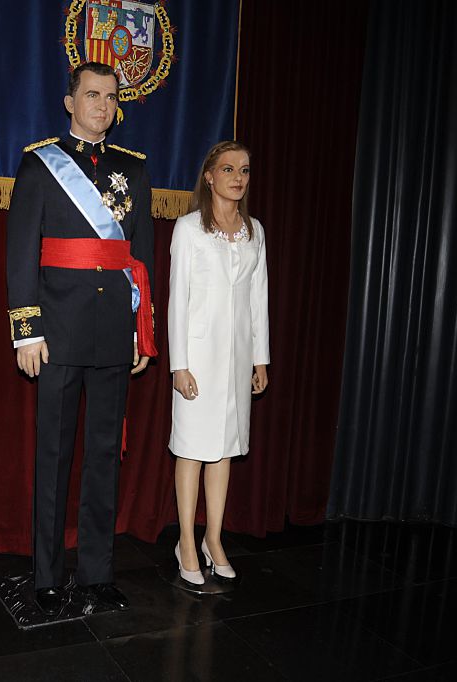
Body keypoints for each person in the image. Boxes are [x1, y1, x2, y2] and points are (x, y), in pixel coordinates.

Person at [6, 61, 156, 615]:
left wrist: (143, 332)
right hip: (58, 332)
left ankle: (96, 574)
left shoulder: (133, 171)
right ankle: (46, 577)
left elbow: (141, 258)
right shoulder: (39, 164)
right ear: (70, 102)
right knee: (53, 454)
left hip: (114, 332)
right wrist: (27, 330)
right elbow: (21, 251)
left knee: (101, 457)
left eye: (111, 97)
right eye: (91, 94)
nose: (101, 104)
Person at [167, 141, 269, 585]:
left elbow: (259, 300)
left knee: (224, 449)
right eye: (228, 169)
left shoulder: (254, 231)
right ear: (209, 176)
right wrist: (179, 364)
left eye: (244, 170)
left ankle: (214, 538)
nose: (237, 177)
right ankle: (186, 541)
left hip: (236, 359)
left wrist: (259, 358)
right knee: (192, 448)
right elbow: (177, 301)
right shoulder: (189, 228)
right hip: (197, 357)